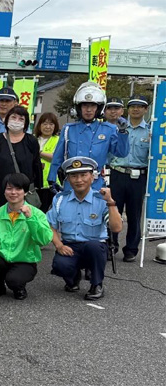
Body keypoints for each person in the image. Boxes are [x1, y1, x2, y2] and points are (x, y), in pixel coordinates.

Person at [48, 157, 122, 300]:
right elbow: (50, 226)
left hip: (94, 245)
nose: (79, 180)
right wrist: (59, 245)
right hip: (70, 246)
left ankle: (96, 284)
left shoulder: (101, 199)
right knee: (59, 265)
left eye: (83, 175)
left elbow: (116, 228)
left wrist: (111, 203)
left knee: (93, 247)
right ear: (68, 179)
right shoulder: (60, 199)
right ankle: (74, 277)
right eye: (74, 176)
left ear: (92, 177)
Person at [0, 173, 53, 300]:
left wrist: (31, 219)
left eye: (18, 189)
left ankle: (19, 287)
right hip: (3, 258)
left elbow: (44, 240)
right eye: (9, 188)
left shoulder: (37, 213)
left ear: (25, 192)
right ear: (4, 192)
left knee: (13, 280)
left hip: (25, 261)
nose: (13, 192)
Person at [48, 81, 129, 191]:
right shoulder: (68, 129)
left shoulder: (109, 129)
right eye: (85, 105)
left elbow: (122, 153)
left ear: (98, 108)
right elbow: (58, 157)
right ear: (79, 108)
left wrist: (123, 133)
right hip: (71, 183)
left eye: (92, 106)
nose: (89, 110)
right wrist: (52, 179)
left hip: (96, 185)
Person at [109, 95, 150, 262]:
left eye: (140, 106)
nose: (136, 109)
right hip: (117, 173)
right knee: (113, 211)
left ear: (146, 109)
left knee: (134, 214)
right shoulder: (117, 128)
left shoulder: (151, 130)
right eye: (133, 106)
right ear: (127, 109)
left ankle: (131, 249)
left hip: (138, 176)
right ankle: (111, 245)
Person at [0, 106, 42, 218]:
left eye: (21, 119)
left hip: (22, 194)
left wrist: (36, 188)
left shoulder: (31, 141)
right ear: (7, 119)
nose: (16, 121)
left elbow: (36, 166)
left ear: (26, 123)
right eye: (13, 117)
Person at [33, 112, 61, 210]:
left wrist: (38, 152)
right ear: (39, 125)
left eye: (51, 124)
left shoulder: (58, 140)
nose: (47, 127)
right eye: (44, 124)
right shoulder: (33, 139)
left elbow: (56, 157)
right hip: (34, 184)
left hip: (51, 183)